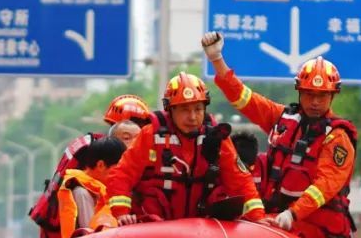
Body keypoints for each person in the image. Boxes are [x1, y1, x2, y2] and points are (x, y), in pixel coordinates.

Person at [202, 31, 357, 238]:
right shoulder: (282, 119)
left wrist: (292, 214)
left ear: (332, 96)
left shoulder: (337, 138)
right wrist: (217, 60)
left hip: (308, 225)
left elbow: (325, 185)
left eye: (321, 96)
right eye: (309, 94)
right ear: (299, 92)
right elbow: (243, 98)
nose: (314, 102)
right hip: (271, 217)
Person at [105, 72, 265, 225]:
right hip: (155, 227)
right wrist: (122, 213)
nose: (193, 117)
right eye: (185, 110)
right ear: (170, 110)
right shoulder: (151, 134)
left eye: (198, 109)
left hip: (204, 227)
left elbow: (239, 180)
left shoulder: (216, 137)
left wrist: (257, 216)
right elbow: (123, 174)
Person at [29, 93, 153, 238]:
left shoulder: (147, 155)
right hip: (94, 236)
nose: (134, 142)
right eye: (127, 137)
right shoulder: (101, 155)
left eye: (138, 135)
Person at [56, 136, 127, 238]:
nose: (120, 174)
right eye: (117, 169)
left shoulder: (106, 190)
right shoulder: (81, 193)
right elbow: (90, 236)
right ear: (101, 165)